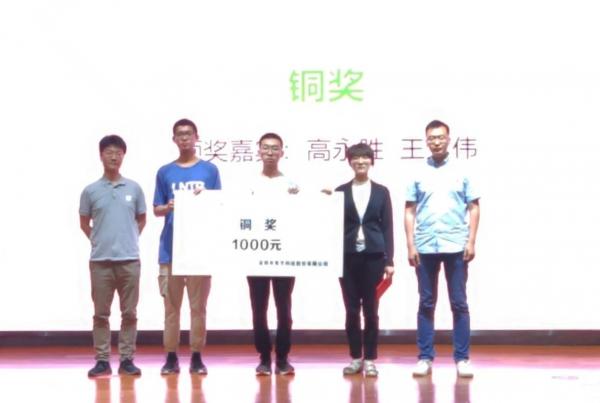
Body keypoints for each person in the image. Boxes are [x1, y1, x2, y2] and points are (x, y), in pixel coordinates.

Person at [404, 120, 480, 378]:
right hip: (425, 245)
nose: (436, 142)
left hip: (456, 245)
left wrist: (471, 241)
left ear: (449, 139)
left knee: (459, 303)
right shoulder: (417, 172)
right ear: (426, 141)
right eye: (431, 138)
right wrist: (410, 244)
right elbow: (409, 210)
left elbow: (474, 207)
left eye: (440, 137)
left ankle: (462, 358)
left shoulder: (463, 171)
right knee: (426, 303)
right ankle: (425, 357)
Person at [154, 118, 222, 375]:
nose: (184, 138)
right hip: (170, 249)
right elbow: (157, 209)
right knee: (171, 308)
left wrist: (204, 202)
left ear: (196, 137)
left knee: (198, 307)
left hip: (199, 250)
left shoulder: (210, 170)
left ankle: (196, 356)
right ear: (174, 139)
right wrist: (168, 207)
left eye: (188, 134)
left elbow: (219, 206)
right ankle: (171, 356)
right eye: (180, 134)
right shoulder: (164, 172)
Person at [79, 134, 146, 377]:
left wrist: (128, 239)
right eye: (109, 152)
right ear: (101, 156)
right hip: (100, 262)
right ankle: (102, 360)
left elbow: (141, 219)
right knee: (100, 314)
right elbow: (84, 223)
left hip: (129, 261)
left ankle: (127, 359)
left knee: (129, 314)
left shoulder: (134, 188)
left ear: (123, 156)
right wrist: (99, 240)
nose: (114, 156)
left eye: (118, 152)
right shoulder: (90, 191)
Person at [336, 143, 394, 377]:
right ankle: (355, 358)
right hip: (346, 258)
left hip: (374, 258)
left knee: (371, 310)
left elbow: (388, 227)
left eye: (365, 158)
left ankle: (370, 359)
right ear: (349, 161)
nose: (360, 161)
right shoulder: (340, 191)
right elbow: (332, 226)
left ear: (371, 161)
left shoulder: (382, 191)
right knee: (351, 310)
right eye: (356, 158)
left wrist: (389, 260)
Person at [248, 132, 298, 376]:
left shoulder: (291, 185)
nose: (270, 153)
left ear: (282, 152)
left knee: (284, 308)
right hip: (254, 253)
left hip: (284, 254)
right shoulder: (249, 184)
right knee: (259, 309)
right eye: (265, 148)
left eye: (274, 148)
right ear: (258, 151)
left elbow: (301, 214)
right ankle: (264, 357)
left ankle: (283, 358)